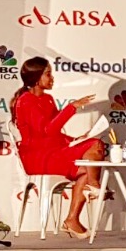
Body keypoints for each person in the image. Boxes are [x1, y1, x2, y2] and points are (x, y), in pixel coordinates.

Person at [10, 57, 103, 238]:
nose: (52, 78)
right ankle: (94, 186)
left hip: (52, 152)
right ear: (36, 78)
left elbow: (55, 134)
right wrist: (71, 107)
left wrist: (74, 140)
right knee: (94, 146)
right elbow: (46, 130)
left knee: (90, 160)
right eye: (48, 74)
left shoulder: (48, 99)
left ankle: (72, 219)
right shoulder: (25, 101)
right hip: (37, 157)